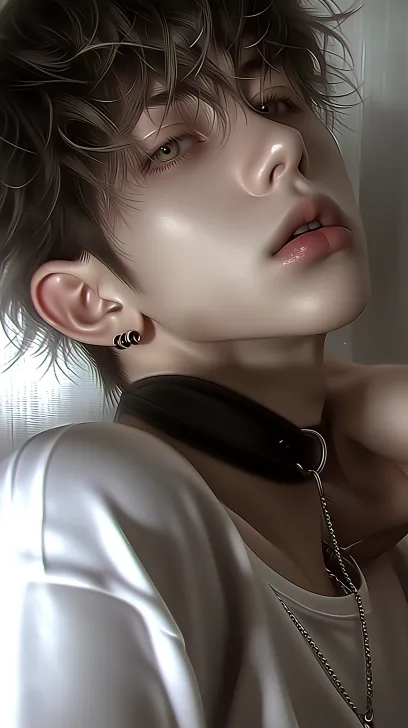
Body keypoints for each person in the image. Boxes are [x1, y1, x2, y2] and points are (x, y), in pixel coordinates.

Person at [1, 0, 408, 726]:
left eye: (275, 100)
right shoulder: (86, 499)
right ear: (91, 301)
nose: (282, 143)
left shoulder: (383, 563)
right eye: (170, 146)